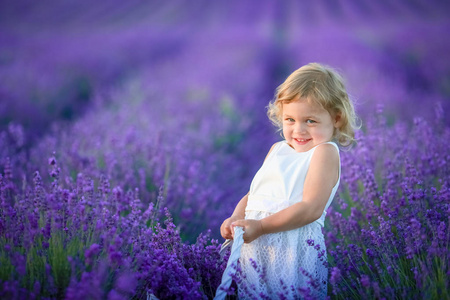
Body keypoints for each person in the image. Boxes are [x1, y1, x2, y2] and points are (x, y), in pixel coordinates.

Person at [220, 63, 358, 299]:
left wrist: (262, 226)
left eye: (310, 121)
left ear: (336, 118)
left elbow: (311, 208)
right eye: (290, 120)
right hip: (257, 247)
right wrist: (236, 217)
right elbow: (255, 195)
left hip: (294, 250)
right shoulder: (277, 149)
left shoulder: (324, 152)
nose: (299, 130)